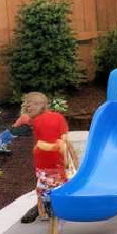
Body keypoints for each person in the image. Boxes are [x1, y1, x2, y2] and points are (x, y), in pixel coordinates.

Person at [14, 92, 71, 224]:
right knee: (53, 186)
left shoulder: (39, 121)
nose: (27, 108)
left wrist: (42, 146)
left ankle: (49, 214)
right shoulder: (58, 117)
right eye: (26, 105)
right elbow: (64, 139)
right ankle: (49, 211)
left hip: (48, 165)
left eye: (30, 105)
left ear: (40, 105)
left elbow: (56, 143)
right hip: (57, 164)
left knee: (44, 190)